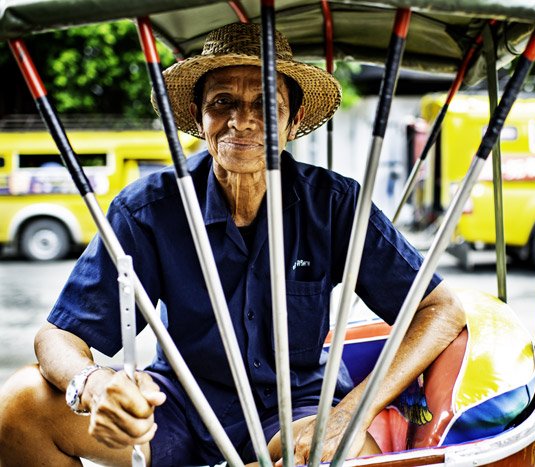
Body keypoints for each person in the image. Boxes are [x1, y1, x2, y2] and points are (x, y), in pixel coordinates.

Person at [0, 23, 465, 466]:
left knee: (346, 454)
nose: (242, 121)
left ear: (292, 121)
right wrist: (95, 383)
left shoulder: (334, 204)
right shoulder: (149, 208)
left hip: (293, 407)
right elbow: (57, 335)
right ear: (201, 118)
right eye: (222, 102)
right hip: (178, 405)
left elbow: (440, 309)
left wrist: (352, 411)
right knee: (21, 404)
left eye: (265, 104)